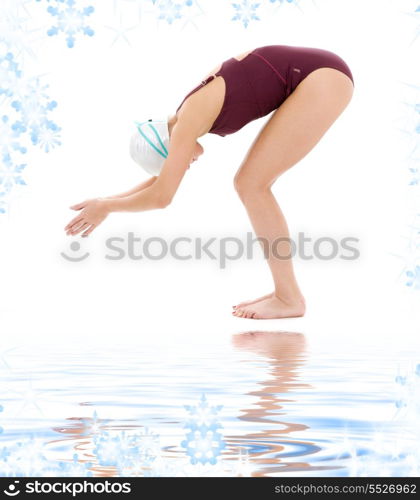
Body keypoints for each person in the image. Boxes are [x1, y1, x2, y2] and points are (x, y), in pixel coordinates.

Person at [64, 45, 354, 319]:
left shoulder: (186, 123)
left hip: (321, 78)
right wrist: (104, 202)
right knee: (250, 184)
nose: (186, 165)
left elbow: (162, 197)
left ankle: (289, 298)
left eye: (178, 162)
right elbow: (159, 183)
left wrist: (107, 208)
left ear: (168, 146)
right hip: (318, 74)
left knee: (252, 185)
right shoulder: (183, 119)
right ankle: (285, 294)